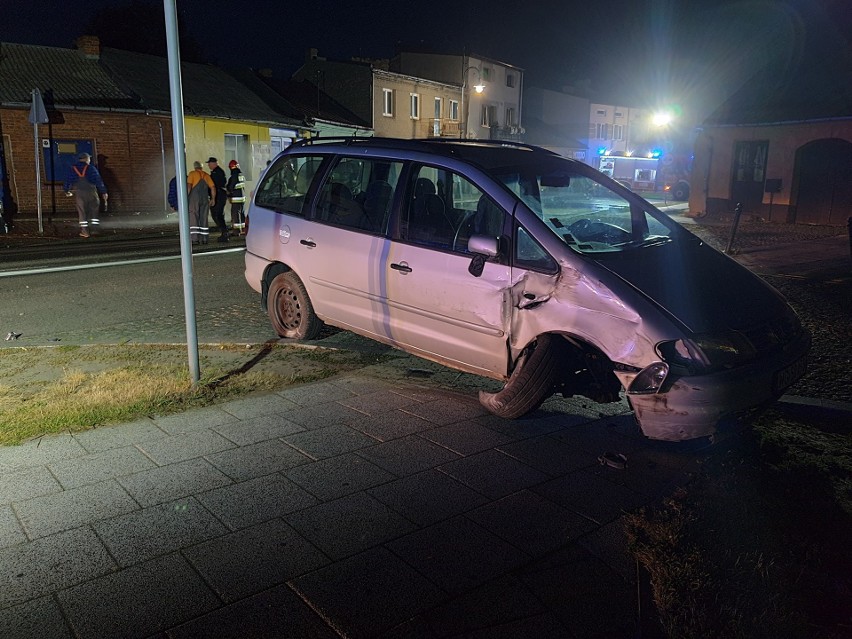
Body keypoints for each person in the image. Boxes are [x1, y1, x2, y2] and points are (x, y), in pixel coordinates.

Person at [63, 152, 108, 238]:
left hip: (80, 193)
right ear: (86, 159)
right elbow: (99, 181)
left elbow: (68, 180)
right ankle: (95, 230)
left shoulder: (73, 169)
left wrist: (67, 190)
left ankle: (85, 232)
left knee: (82, 212)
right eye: (89, 158)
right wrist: (104, 192)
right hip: (92, 192)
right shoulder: (91, 168)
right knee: (94, 211)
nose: (89, 160)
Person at [187, 161, 215, 245]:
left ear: (194, 167)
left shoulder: (192, 174)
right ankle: (204, 239)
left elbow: (189, 186)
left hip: (194, 199)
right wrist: (213, 199)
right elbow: (213, 188)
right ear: (201, 167)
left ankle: (194, 239)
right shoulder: (206, 175)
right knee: (204, 217)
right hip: (205, 199)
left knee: (194, 216)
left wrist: (186, 197)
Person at [206, 157, 229, 242]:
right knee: (216, 214)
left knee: (218, 214)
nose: (208, 165)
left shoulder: (217, 172)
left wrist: (213, 198)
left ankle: (224, 233)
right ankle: (223, 231)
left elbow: (214, 186)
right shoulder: (216, 172)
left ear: (214, 163)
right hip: (219, 196)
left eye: (209, 163)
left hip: (219, 196)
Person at [226, 159, 246, 234]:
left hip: (236, 199)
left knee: (235, 214)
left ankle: (236, 231)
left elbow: (231, 187)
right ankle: (243, 229)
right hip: (242, 198)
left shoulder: (234, 176)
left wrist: (228, 193)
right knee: (242, 213)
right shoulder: (241, 176)